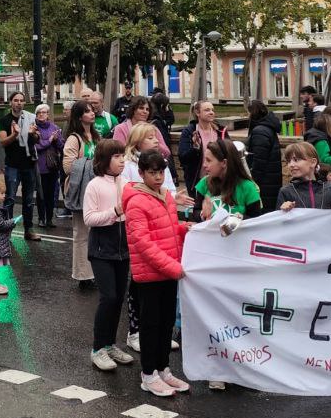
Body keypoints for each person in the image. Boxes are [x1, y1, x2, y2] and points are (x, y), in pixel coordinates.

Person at [123, 149, 190, 398]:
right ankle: (148, 374)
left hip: (168, 272)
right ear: (141, 173)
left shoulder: (166, 196)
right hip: (150, 275)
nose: (158, 177)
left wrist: (183, 229)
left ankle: (163, 369)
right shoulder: (137, 202)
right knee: (150, 326)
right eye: (152, 173)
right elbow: (143, 242)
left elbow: (167, 228)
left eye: (161, 172)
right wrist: (173, 267)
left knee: (165, 324)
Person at [82, 139, 134, 372]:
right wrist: (114, 212)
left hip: (123, 247)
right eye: (116, 157)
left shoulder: (128, 183)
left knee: (119, 298)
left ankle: (111, 344)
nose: (122, 160)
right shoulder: (95, 185)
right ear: (104, 160)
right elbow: (89, 218)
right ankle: (97, 349)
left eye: (123, 156)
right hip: (102, 247)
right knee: (108, 297)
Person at [62, 99, 98, 286]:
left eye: (92, 110)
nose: (91, 113)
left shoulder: (96, 136)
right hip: (81, 191)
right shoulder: (74, 138)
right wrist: (94, 165)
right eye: (87, 111)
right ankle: (83, 275)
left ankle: (95, 272)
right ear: (79, 116)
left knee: (95, 234)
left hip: (97, 190)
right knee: (82, 234)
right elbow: (68, 166)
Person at [0, 91, 40, 241]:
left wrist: (33, 134)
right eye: (16, 100)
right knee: (10, 199)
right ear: (10, 102)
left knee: (29, 200)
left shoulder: (30, 118)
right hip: (12, 165)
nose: (19, 103)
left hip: (28, 164)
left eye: (22, 100)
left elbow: (36, 140)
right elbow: (2, 142)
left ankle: (29, 230)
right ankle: (5, 230)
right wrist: (15, 134)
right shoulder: (4, 120)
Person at [194, 139, 263, 226]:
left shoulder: (248, 187)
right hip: (211, 237)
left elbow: (257, 220)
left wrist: (242, 218)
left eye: (208, 160)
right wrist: (202, 214)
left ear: (224, 163)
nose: (204, 165)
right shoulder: (204, 183)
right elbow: (195, 212)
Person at [277, 142, 331, 213]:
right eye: (288, 161)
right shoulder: (286, 192)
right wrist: (282, 212)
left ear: (313, 162)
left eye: (296, 160)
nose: (291, 165)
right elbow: (277, 221)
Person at [177, 101, 227, 193]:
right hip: (197, 181)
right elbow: (183, 157)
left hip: (220, 180)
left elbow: (229, 153)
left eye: (212, 110)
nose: (211, 112)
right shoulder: (189, 131)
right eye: (207, 110)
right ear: (197, 113)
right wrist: (195, 148)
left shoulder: (221, 131)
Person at [244, 100, 282, 211]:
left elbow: (259, 161)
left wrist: (252, 182)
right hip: (271, 179)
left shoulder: (260, 131)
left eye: (248, 112)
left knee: (263, 211)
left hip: (264, 183)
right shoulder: (267, 127)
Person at [32, 103, 64, 228]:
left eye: (44, 112)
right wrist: (49, 141)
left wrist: (56, 140)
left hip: (53, 166)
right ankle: (41, 218)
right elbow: (36, 146)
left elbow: (62, 146)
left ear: (48, 114)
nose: (41, 114)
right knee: (41, 194)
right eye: (39, 112)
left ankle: (49, 219)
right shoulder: (33, 128)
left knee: (51, 194)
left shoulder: (54, 127)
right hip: (40, 167)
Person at [304, 111, 331, 182]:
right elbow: (324, 162)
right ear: (329, 126)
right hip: (325, 179)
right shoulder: (321, 141)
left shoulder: (328, 137)